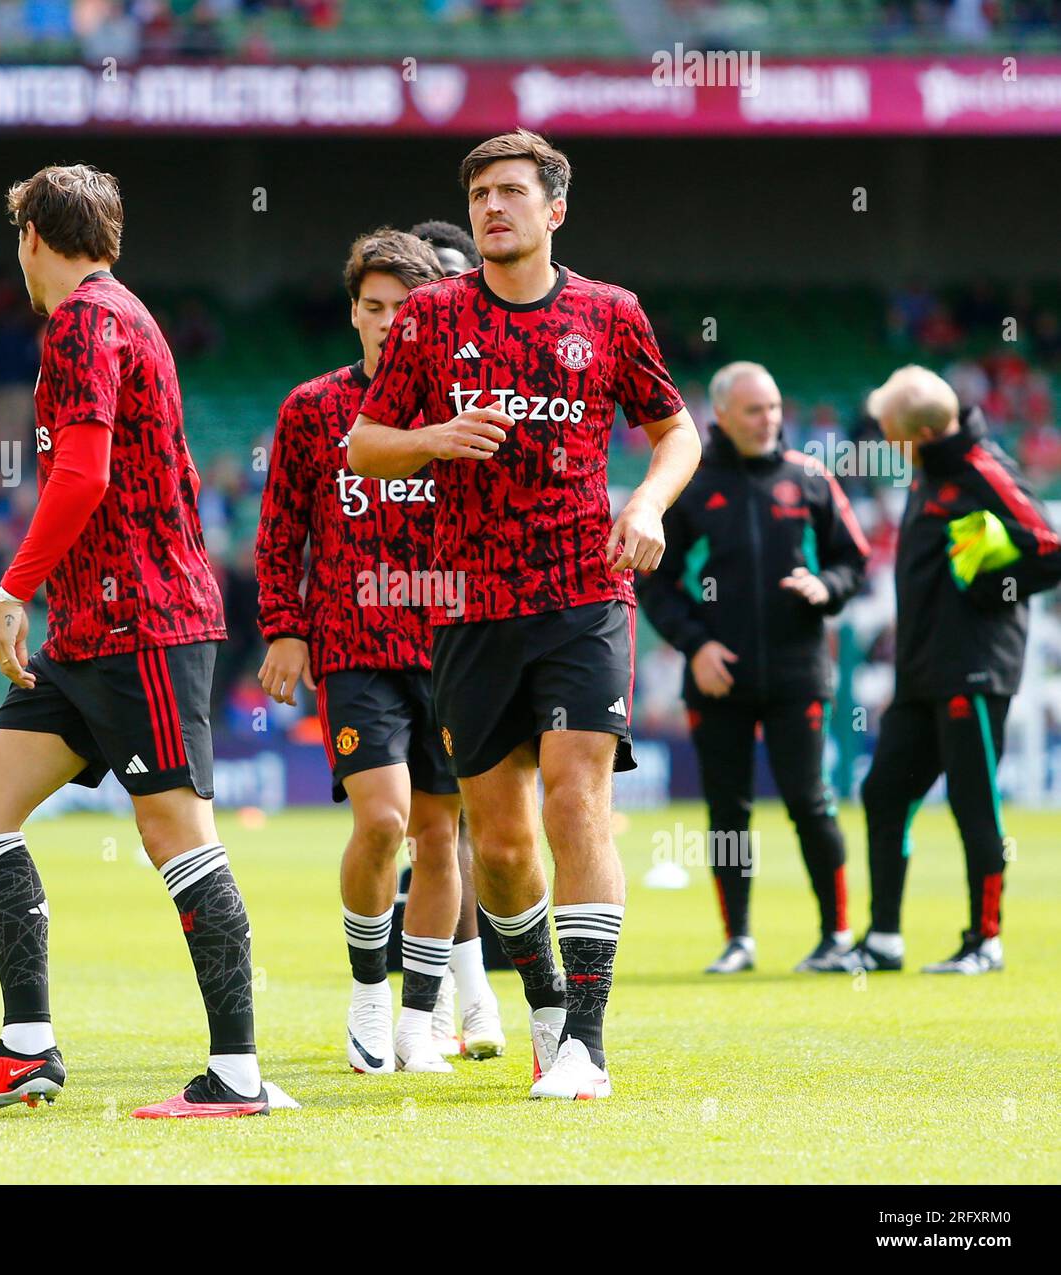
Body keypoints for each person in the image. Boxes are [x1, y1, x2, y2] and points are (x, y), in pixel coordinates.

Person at [348, 129, 701, 1100]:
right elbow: (365, 445)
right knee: (498, 847)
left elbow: (675, 433)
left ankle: (584, 1041)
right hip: (467, 608)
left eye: (511, 192)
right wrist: (430, 438)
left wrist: (644, 505)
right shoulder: (426, 321)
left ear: (554, 208)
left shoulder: (609, 314)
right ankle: (545, 1002)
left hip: (585, 596)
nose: (492, 209)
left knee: (576, 800)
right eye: (479, 197)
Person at [0, 164, 267, 1118]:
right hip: (91, 632)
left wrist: (11, 589)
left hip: (143, 622)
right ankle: (27, 1046)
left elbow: (80, 475)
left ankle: (237, 1072)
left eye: (20, 241)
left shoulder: (82, 321)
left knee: (175, 832)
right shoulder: (117, 314)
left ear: (33, 236)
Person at [257, 228, 493, 1074]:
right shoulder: (313, 409)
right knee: (385, 819)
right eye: (373, 307)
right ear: (354, 312)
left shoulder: (468, 410)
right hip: (355, 644)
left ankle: (419, 1019)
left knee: (441, 836)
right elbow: (281, 530)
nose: (389, 323)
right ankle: (366, 992)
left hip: (456, 645)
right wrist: (285, 626)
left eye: (405, 308)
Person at [639, 361, 871, 974]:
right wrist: (697, 645)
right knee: (727, 812)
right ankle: (738, 939)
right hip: (719, 674)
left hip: (799, 673)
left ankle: (837, 936)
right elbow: (654, 580)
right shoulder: (693, 482)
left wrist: (827, 587)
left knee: (810, 801)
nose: (768, 419)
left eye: (772, 406)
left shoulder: (811, 477)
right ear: (721, 416)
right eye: (753, 410)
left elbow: (855, 559)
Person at [846, 366, 1061, 974]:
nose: (886, 444)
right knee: (884, 791)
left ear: (915, 434)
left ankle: (984, 941)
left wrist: (992, 587)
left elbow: (1049, 546)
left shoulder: (982, 468)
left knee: (974, 802)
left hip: (973, 667)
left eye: (890, 433)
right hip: (921, 671)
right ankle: (884, 938)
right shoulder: (931, 470)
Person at [407, 218, 505, 1059]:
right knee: (417, 828)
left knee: (473, 828)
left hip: (480, 615)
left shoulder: (498, 364)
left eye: (447, 271)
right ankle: (436, 1003)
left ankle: (475, 1000)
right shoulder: (385, 382)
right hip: (382, 631)